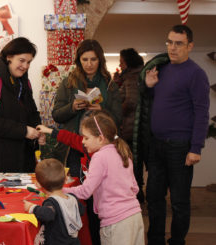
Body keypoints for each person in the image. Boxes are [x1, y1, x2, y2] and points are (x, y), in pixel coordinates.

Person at [135, 25, 210, 245]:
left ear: (190, 46)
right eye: (169, 42)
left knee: (179, 201)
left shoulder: (196, 74)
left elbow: (202, 113)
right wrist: (148, 87)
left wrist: (196, 148)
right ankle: (156, 240)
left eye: (178, 43)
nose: (172, 47)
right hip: (156, 146)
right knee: (154, 198)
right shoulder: (162, 69)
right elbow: (151, 103)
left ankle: (177, 241)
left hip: (180, 147)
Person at [64, 111, 144, 245]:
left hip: (116, 223)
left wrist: (62, 190)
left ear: (100, 138)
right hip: (135, 217)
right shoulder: (123, 152)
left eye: (86, 138)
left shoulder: (99, 157)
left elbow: (85, 191)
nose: (82, 141)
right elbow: (135, 188)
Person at [0, 37, 45, 173]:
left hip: (20, 160)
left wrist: (38, 129)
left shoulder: (24, 82)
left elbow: (32, 111)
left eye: (29, 62)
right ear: (9, 57)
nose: (25, 66)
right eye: (21, 60)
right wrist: (23, 131)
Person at [52, 39, 122, 178]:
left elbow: (118, 119)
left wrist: (102, 110)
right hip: (73, 146)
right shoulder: (68, 83)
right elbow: (56, 115)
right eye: (84, 59)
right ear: (79, 60)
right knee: (76, 187)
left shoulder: (110, 85)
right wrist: (72, 107)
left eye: (93, 59)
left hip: (101, 146)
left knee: (99, 189)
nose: (89, 64)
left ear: (100, 60)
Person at [24, 158, 84, 245]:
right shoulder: (73, 198)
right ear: (65, 180)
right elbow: (81, 210)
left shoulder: (52, 203)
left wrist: (32, 208)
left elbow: (47, 214)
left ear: (38, 184)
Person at [113, 48, 145, 203]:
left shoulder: (132, 78)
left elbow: (131, 101)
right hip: (132, 128)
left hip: (131, 130)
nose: (120, 64)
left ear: (128, 62)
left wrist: (116, 112)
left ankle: (136, 195)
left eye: (122, 62)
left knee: (133, 164)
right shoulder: (131, 77)